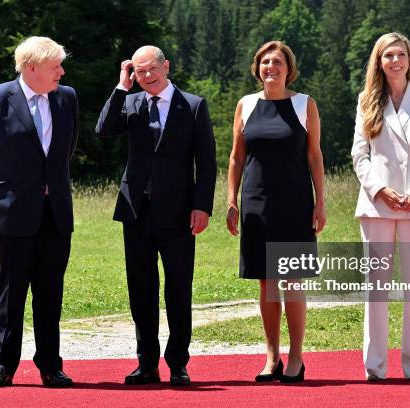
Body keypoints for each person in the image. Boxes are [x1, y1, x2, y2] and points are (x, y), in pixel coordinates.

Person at [95, 45, 216, 386]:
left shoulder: (192, 105)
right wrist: (122, 86)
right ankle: (146, 363)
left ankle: (178, 363)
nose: (147, 76)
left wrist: (202, 206)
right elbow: (103, 129)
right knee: (141, 290)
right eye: (139, 71)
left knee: (178, 289)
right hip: (136, 212)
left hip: (179, 214)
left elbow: (206, 162)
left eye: (152, 69)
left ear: (166, 66)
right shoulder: (131, 102)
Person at [0, 36, 78, 388]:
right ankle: (4, 366)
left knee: (50, 293)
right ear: (32, 68)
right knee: (11, 292)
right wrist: (1, 189)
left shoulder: (67, 98)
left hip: (54, 214)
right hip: (11, 214)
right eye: (55, 65)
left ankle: (50, 366)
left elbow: (66, 149)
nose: (61, 71)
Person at [226, 41, 326, 383]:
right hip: (256, 203)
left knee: (292, 280)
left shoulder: (304, 104)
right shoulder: (246, 105)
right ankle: (272, 357)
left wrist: (321, 202)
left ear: (289, 68)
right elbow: (237, 157)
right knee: (267, 282)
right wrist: (231, 200)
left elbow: (315, 156)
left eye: (278, 62)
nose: (272, 67)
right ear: (258, 68)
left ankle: (296, 357)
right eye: (266, 62)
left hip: (295, 203)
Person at [351, 32, 410, 381]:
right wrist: (381, 190)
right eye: (388, 55)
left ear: (409, 59)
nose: (395, 60)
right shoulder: (367, 99)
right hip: (377, 204)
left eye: (401, 54)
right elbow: (360, 154)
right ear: (380, 61)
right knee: (376, 287)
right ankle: (375, 367)